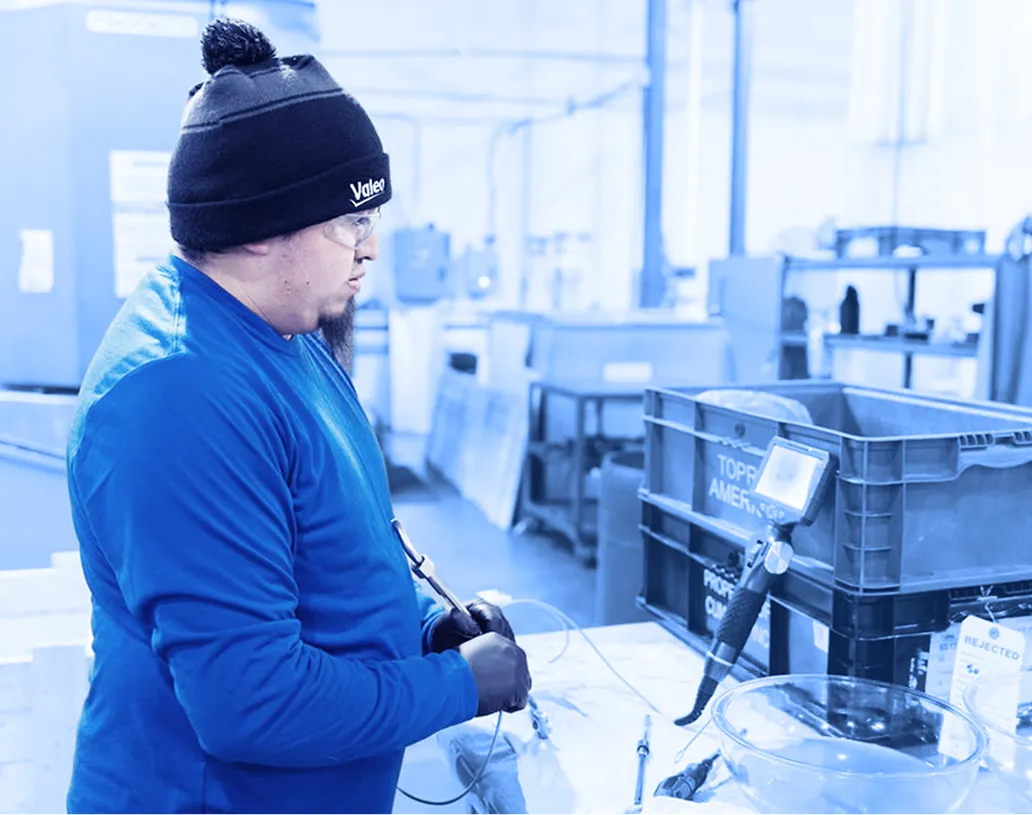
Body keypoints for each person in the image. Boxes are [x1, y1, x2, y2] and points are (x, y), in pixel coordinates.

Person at [64, 17, 531, 815]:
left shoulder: (285, 335)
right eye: (352, 221)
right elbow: (252, 702)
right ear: (258, 233)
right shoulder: (177, 394)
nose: (370, 247)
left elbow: (328, 552)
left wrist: (427, 628)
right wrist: (457, 684)